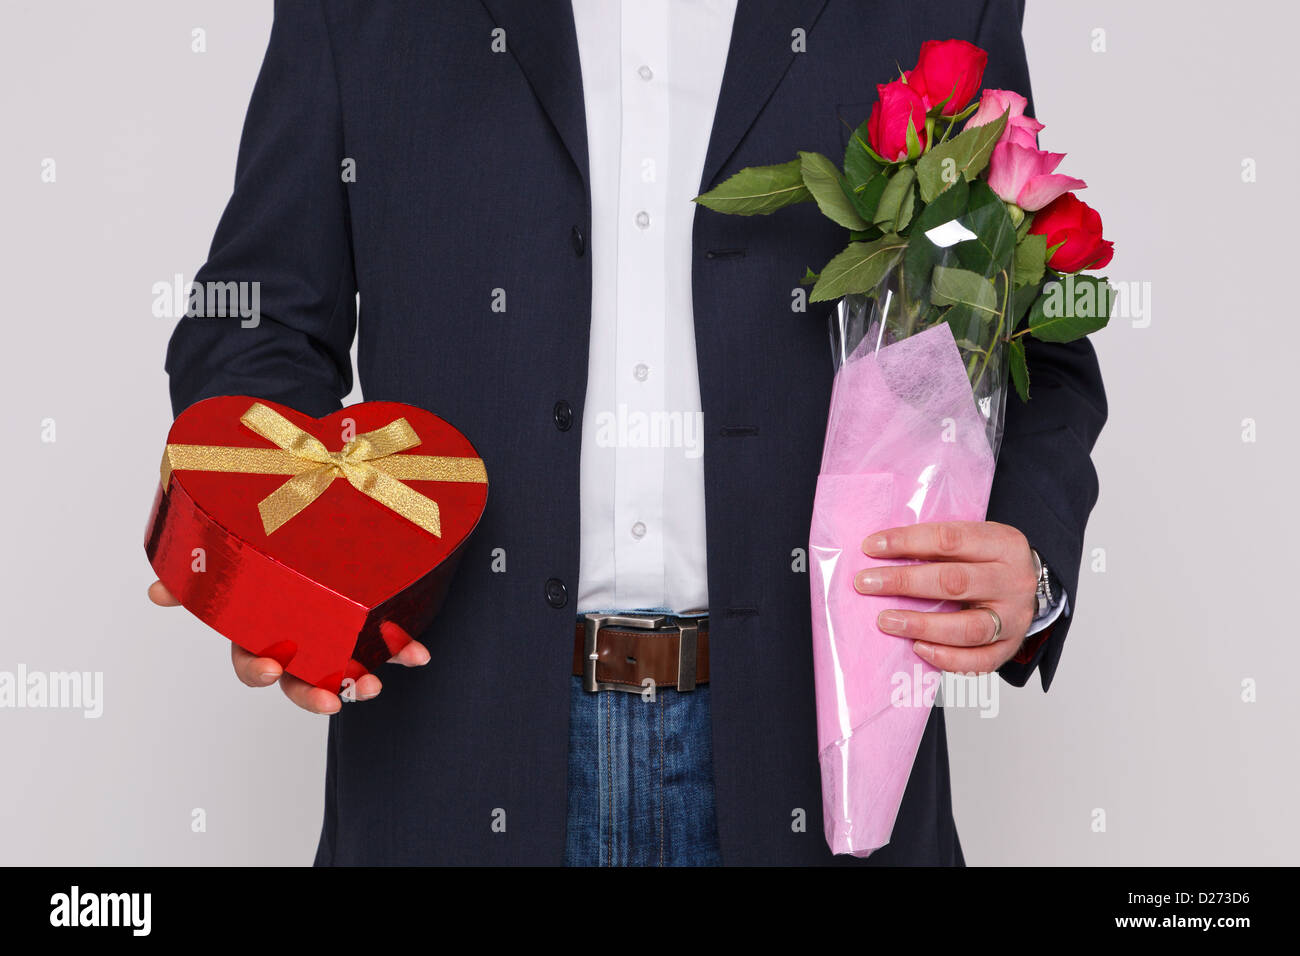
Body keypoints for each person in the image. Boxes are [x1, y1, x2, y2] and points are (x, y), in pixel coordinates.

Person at [150, 0, 1106, 865]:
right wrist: (276, 562)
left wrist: (1037, 570)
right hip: (455, 755)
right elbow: (257, 324)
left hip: (819, 759)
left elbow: (1037, 340)